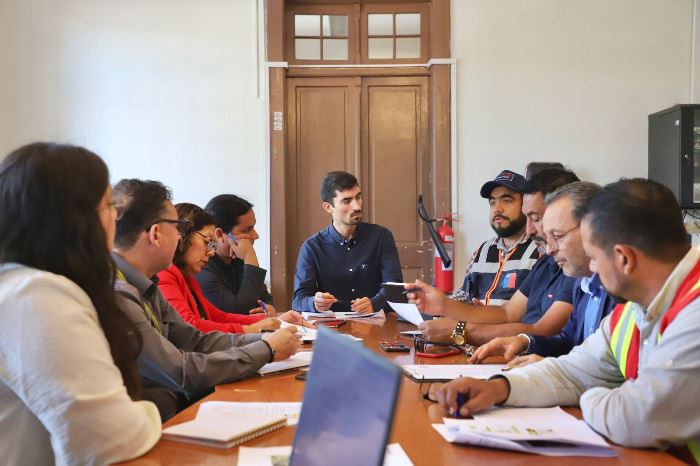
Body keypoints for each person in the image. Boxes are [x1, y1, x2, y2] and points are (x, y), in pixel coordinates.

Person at [436, 179, 700, 463]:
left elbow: (636, 419)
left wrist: (587, 393)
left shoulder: (693, 314)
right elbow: (572, 371)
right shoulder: (635, 307)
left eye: (595, 257)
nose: (593, 269)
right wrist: (499, 388)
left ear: (624, 258)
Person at [0, 143, 160, 465]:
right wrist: (144, 412)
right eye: (108, 205)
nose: (115, 217)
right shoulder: (34, 295)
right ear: (72, 219)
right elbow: (111, 440)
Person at [112, 179, 301, 420]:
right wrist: (266, 349)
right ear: (156, 234)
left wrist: (263, 339)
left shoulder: (147, 285)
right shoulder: (118, 294)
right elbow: (180, 371)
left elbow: (195, 339)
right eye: (177, 227)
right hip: (151, 428)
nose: (181, 237)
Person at [414, 168, 579, 347]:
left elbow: (542, 331)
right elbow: (507, 313)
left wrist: (459, 330)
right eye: (492, 203)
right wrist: (443, 305)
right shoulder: (545, 262)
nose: (530, 229)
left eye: (536, 218)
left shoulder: (576, 269)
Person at [470, 182, 617, 367]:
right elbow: (568, 340)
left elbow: (610, 373)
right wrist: (524, 342)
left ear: (592, 229)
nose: (549, 249)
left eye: (558, 236)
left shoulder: (621, 292)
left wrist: (555, 369)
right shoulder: (584, 282)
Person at [158, 203, 309, 333]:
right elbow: (190, 326)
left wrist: (277, 320)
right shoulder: (166, 274)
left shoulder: (188, 277)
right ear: (183, 236)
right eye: (207, 242)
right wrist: (254, 328)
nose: (211, 251)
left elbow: (219, 317)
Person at [292, 171, 402, 314]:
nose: (357, 206)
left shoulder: (381, 237)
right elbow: (298, 300)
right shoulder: (312, 247)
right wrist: (314, 303)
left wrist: (374, 303)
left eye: (358, 197)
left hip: (375, 324)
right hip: (332, 327)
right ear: (328, 207)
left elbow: (395, 289)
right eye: (346, 201)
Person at [450, 169, 540, 305]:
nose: (497, 209)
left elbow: (538, 311)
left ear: (525, 205)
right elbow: (464, 295)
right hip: (473, 324)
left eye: (507, 200)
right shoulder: (482, 250)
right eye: (493, 203)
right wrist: (439, 303)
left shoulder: (541, 249)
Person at [196, 194, 275, 315]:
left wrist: (269, 309)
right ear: (219, 234)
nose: (256, 235)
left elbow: (265, 298)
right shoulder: (201, 267)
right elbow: (238, 312)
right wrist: (250, 259)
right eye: (247, 230)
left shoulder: (238, 259)